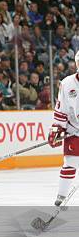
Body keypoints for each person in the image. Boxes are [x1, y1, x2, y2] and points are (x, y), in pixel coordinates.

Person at [48, 51, 79, 207]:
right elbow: (61, 109)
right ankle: (61, 197)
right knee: (71, 162)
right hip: (74, 129)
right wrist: (56, 129)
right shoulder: (68, 83)